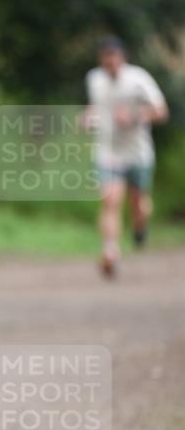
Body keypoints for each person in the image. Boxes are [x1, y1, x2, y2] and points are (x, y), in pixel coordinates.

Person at [84, 36, 168, 278]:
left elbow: (161, 111)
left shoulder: (138, 79)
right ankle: (110, 252)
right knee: (110, 200)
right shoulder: (94, 79)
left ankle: (141, 227)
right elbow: (95, 107)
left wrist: (134, 116)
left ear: (123, 57)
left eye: (114, 58)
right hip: (107, 151)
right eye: (106, 58)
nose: (110, 63)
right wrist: (88, 118)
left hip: (137, 152)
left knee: (138, 203)